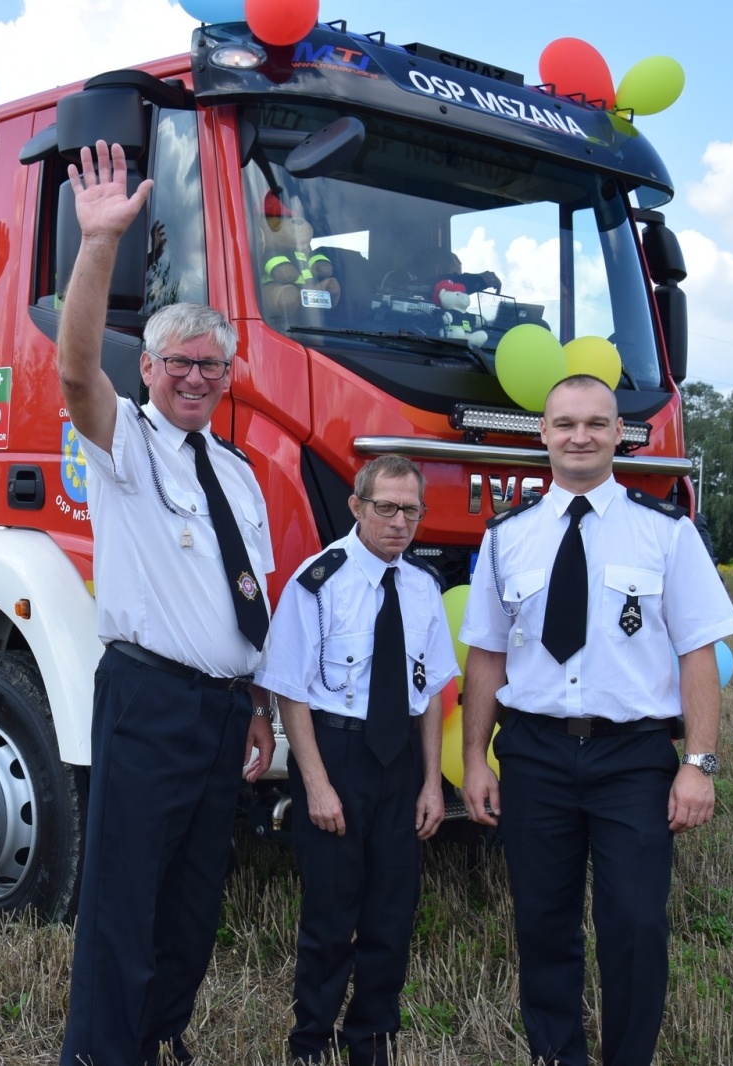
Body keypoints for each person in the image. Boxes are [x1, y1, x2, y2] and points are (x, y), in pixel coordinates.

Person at [56, 140, 277, 1066]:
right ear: (146, 370)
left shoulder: (240, 475)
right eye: (179, 363)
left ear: (229, 378)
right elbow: (73, 373)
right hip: (148, 704)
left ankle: (158, 1038)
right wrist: (100, 243)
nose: (196, 377)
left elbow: (247, 599)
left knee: (193, 907)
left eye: (212, 366)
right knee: (123, 904)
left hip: (225, 717)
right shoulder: (128, 449)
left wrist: (259, 706)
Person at [461, 373, 733, 1066]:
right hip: (534, 755)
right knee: (543, 924)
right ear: (543, 435)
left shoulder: (667, 535)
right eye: (564, 424)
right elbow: (488, 660)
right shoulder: (505, 539)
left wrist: (698, 764)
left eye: (594, 423)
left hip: (633, 759)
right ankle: (558, 1056)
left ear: (620, 433)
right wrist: (473, 759)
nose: (579, 436)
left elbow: (697, 655)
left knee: (637, 926)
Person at [257, 453, 457, 1066]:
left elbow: (426, 698)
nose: (399, 522)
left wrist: (430, 784)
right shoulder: (318, 582)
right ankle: (310, 1043)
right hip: (337, 756)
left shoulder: (423, 589)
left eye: (411, 510)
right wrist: (315, 787)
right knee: (329, 916)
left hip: (400, 764)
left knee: (391, 915)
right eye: (386, 507)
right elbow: (290, 692)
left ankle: (372, 1041)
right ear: (357, 507)